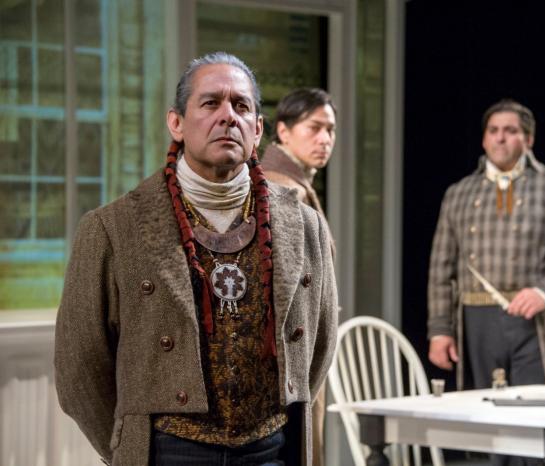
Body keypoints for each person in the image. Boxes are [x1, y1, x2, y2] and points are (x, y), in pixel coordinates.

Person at [54, 51, 338, 466]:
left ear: (257, 129)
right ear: (177, 123)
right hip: (166, 452)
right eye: (210, 103)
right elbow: (79, 366)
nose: (228, 116)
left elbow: (321, 342)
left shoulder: (305, 225)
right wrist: (126, 447)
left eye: (241, 106)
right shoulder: (112, 228)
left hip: (272, 449)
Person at [427, 98, 545, 403]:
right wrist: (440, 329)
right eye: (493, 130)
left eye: (510, 130)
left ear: (529, 139)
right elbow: (441, 269)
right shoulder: (458, 193)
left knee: (540, 417)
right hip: (477, 321)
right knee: (487, 418)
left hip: (536, 323)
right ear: (484, 138)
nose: (500, 137)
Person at [261, 88, 336, 466]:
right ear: (283, 132)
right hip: (295, 353)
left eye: (330, 130)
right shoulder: (283, 188)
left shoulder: (297, 182)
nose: (324, 139)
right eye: (314, 128)